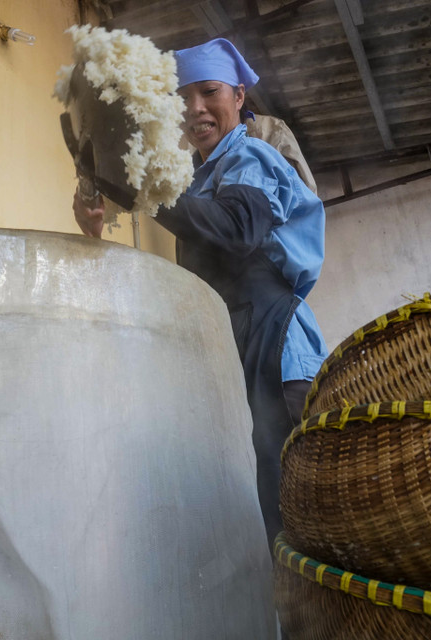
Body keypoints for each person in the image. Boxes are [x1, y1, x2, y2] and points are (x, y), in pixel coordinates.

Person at [74, 38, 327, 545]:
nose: (194, 109)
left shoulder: (251, 154)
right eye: (181, 99)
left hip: (274, 346)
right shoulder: (199, 175)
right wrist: (101, 207)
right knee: (258, 505)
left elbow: (235, 230)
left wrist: (141, 182)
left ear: (238, 96)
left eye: (208, 91)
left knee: (299, 499)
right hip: (229, 341)